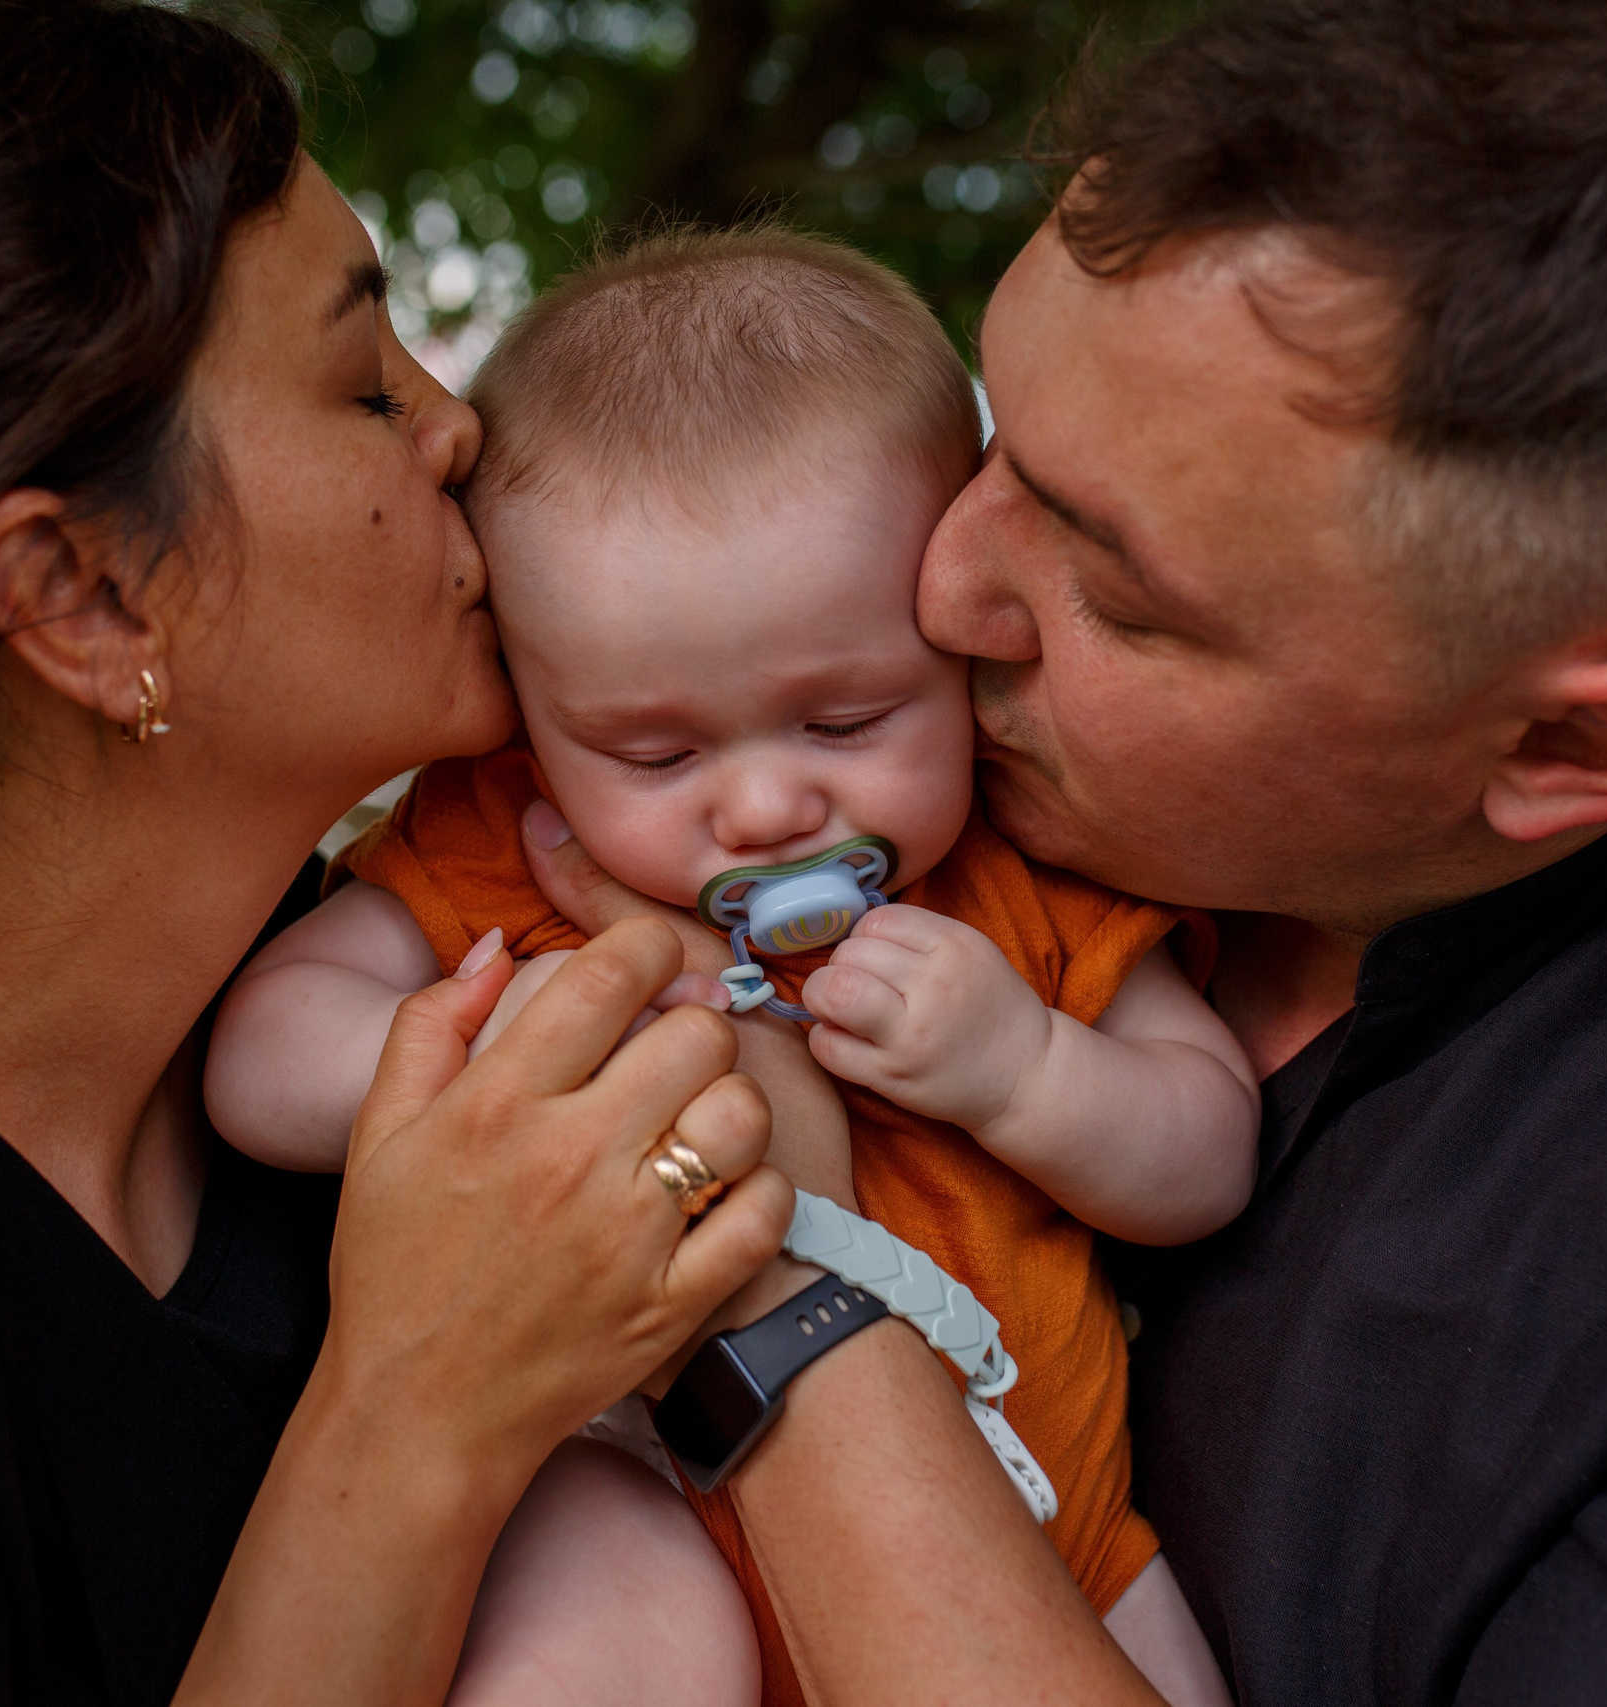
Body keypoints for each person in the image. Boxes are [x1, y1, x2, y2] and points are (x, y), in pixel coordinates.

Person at [502, 0, 1607, 1700]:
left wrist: (773, 1262)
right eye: (1005, 444)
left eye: (1115, 587)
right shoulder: (818, 773)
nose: (941, 592)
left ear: (1562, 748)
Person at [0, 3, 798, 1701]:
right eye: (361, 382)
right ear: (85, 602)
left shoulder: (376, 980)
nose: (458, 425)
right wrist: (415, 1423)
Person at [201, 227, 1257, 1707]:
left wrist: (1024, 1067)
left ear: (954, 647)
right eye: (658, 750)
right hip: (636, 1483)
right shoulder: (511, 845)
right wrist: (556, 1040)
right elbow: (260, 1057)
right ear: (533, 716)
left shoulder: (1010, 889)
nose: (766, 809)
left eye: (846, 722)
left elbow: (1205, 1152)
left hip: (1045, 1523)